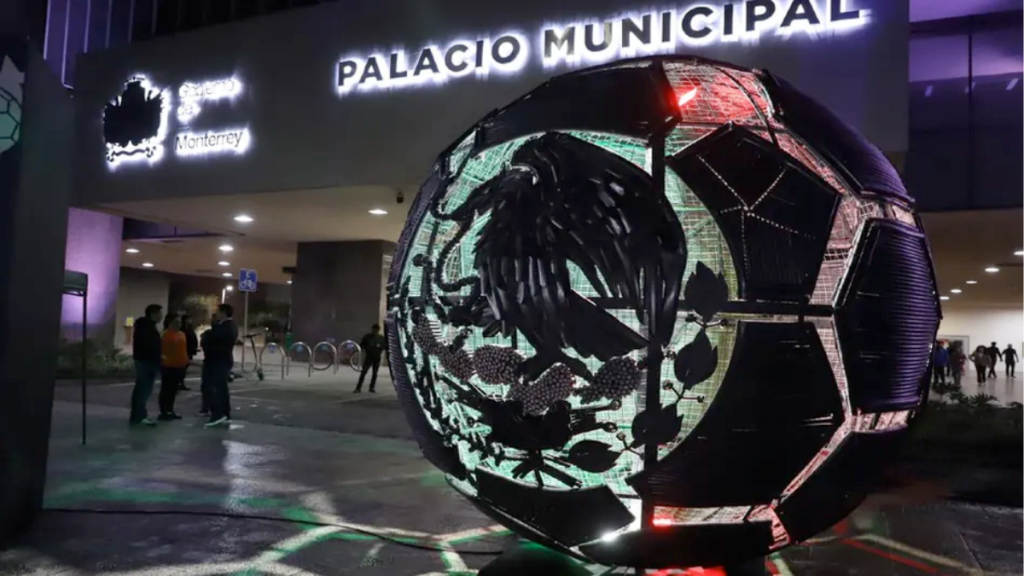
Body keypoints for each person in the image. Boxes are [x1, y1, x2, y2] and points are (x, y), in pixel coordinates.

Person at [202, 303, 238, 427]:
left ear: (223, 313)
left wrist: (210, 333)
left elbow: (214, 339)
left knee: (216, 388)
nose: (215, 314)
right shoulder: (225, 326)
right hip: (219, 360)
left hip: (219, 361)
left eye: (218, 311)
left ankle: (219, 413)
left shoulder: (227, 327)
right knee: (220, 388)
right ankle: (224, 413)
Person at [130, 304, 163, 426]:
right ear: (153, 314)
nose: (161, 316)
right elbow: (149, 346)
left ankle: (137, 415)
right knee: (143, 389)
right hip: (146, 361)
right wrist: (156, 357)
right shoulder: (146, 328)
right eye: (159, 313)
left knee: (142, 389)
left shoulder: (147, 327)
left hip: (147, 361)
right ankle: (139, 416)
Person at [158, 314, 188, 420]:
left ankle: (170, 410)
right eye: (176, 322)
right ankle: (165, 411)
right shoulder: (164, 334)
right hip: (168, 365)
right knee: (167, 389)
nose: (178, 324)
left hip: (179, 365)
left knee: (174, 390)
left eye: (179, 322)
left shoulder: (182, 334)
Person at [354, 323, 386, 393]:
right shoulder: (367, 337)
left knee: (374, 373)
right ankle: (359, 387)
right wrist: (366, 348)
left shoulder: (381, 338)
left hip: (376, 357)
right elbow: (362, 345)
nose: (375, 331)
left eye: (376, 330)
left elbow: (384, 346)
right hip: (369, 356)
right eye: (374, 330)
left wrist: (379, 347)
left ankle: (371, 387)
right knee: (364, 372)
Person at [179, 313, 199, 391]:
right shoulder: (182, 329)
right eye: (188, 319)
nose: (190, 321)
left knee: (184, 367)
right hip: (184, 350)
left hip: (189, 350)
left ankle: (180, 382)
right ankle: (180, 382)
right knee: (182, 368)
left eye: (190, 319)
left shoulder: (190, 328)